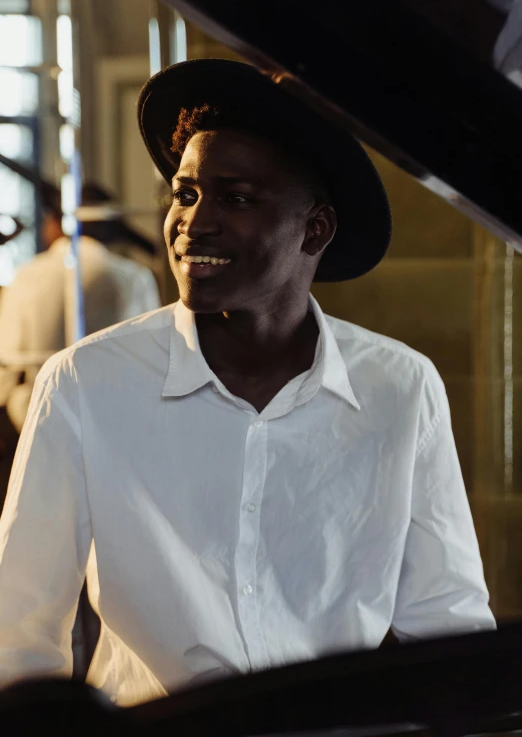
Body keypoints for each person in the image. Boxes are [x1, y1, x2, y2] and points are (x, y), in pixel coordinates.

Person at [0, 59, 495, 706]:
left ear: (314, 228)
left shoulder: (400, 387)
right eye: (184, 193)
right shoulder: (88, 384)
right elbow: (18, 633)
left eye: (235, 197)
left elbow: (447, 617)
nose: (192, 223)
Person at [0, 179, 161, 434]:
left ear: (57, 222)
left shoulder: (25, 276)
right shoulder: (133, 277)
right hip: (113, 416)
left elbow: (7, 364)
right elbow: (151, 360)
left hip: (35, 413)